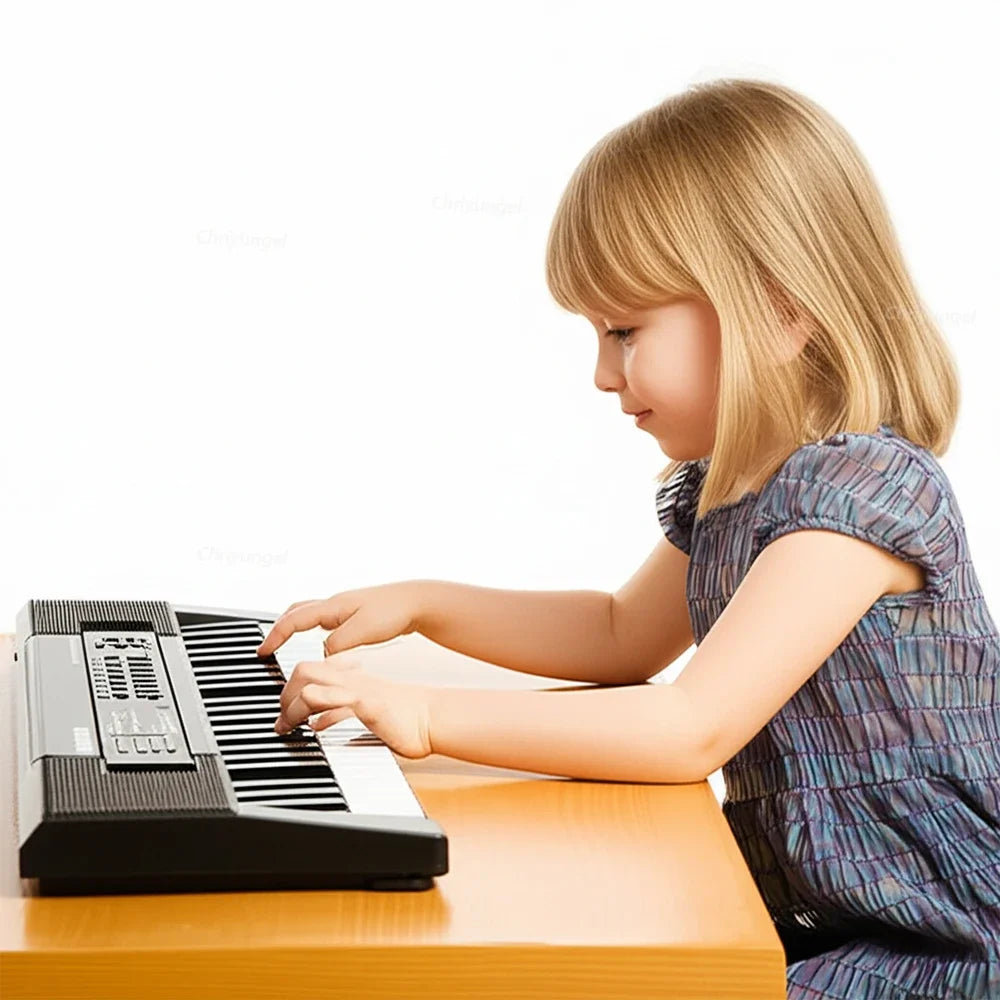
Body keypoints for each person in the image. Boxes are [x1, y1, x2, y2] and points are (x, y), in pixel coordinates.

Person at [256, 78, 1000, 998]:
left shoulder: (863, 495)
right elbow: (618, 636)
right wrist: (428, 606)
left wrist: (427, 716)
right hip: (811, 919)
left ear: (777, 309)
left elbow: (692, 727)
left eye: (623, 330)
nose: (605, 375)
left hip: (933, 945)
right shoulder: (732, 490)